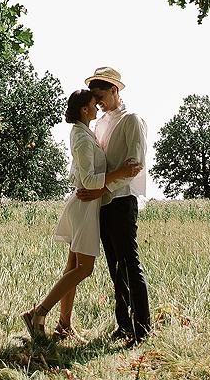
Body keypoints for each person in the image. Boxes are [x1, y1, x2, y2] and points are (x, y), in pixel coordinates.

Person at [22, 89, 142, 342]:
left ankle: (64, 325)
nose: (97, 106)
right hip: (85, 207)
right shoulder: (82, 137)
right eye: (93, 104)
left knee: (72, 268)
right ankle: (38, 312)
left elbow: (78, 173)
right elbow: (88, 180)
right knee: (84, 269)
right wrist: (120, 172)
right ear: (84, 110)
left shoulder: (85, 132)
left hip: (86, 205)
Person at [77, 66, 151, 344]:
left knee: (130, 263)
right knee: (114, 266)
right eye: (94, 98)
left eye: (100, 96)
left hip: (122, 200)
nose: (97, 102)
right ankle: (123, 325)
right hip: (103, 202)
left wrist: (102, 189)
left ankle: (142, 327)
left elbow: (135, 166)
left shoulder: (132, 120)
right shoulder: (98, 125)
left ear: (114, 90)